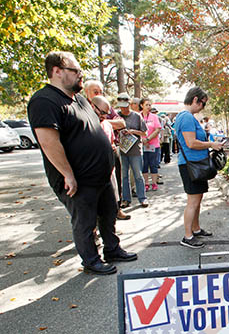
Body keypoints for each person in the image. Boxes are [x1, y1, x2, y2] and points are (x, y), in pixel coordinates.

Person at [27, 51, 136, 275]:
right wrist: (67, 174)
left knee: (108, 213)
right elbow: (49, 142)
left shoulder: (79, 100)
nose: (80, 75)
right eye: (75, 71)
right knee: (85, 221)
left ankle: (112, 249)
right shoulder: (44, 101)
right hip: (78, 179)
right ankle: (91, 260)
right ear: (57, 71)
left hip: (100, 176)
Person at [175, 87, 223, 248]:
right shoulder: (187, 117)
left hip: (196, 164)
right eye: (203, 104)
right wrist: (211, 144)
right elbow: (191, 143)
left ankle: (195, 229)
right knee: (193, 202)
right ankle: (187, 236)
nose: (203, 107)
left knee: (197, 199)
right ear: (196, 99)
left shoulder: (188, 117)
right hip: (191, 165)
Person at [91, 96, 130, 220]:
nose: (104, 116)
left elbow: (114, 138)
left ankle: (116, 210)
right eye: (102, 113)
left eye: (107, 114)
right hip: (94, 163)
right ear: (92, 107)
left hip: (109, 160)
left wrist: (112, 146)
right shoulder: (87, 123)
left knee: (114, 187)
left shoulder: (107, 124)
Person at [117, 93, 149, 208]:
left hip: (135, 150)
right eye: (121, 106)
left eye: (125, 105)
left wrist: (133, 131)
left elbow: (145, 133)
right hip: (122, 150)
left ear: (129, 104)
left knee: (138, 175)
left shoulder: (137, 116)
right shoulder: (116, 116)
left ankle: (142, 198)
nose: (123, 108)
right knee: (124, 176)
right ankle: (126, 199)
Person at [140, 98, 161, 191]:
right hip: (142, 145)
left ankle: (154, 183)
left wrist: (148, 139)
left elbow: (157, 129)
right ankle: (146, 183)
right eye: (146, 105)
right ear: (141, 106)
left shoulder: (154, 117)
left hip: (153, 144)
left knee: (153, 164)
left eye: (149, 105)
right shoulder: (138, 116)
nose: (149, 107)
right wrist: (143, 140)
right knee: (144, 164)